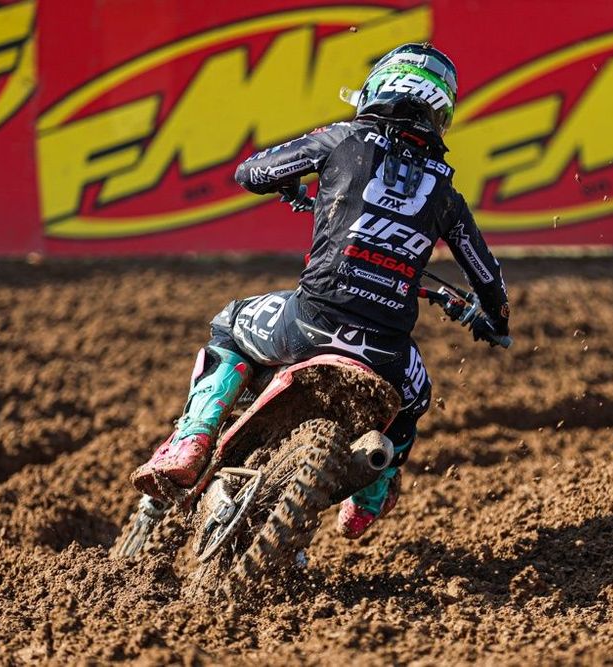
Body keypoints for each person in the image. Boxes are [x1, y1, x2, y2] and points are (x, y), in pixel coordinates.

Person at [130, 43, 509, 539]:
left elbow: (251, 173)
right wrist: (494, 321)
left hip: (307, 325)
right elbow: (488, 278)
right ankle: (368, 498)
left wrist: (291, 182)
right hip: (386, 354)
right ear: (440, 112)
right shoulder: (447, 195)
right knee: (415, 399)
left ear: (380, 89)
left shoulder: (342, 138)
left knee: (229, 323)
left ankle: (192, 440)